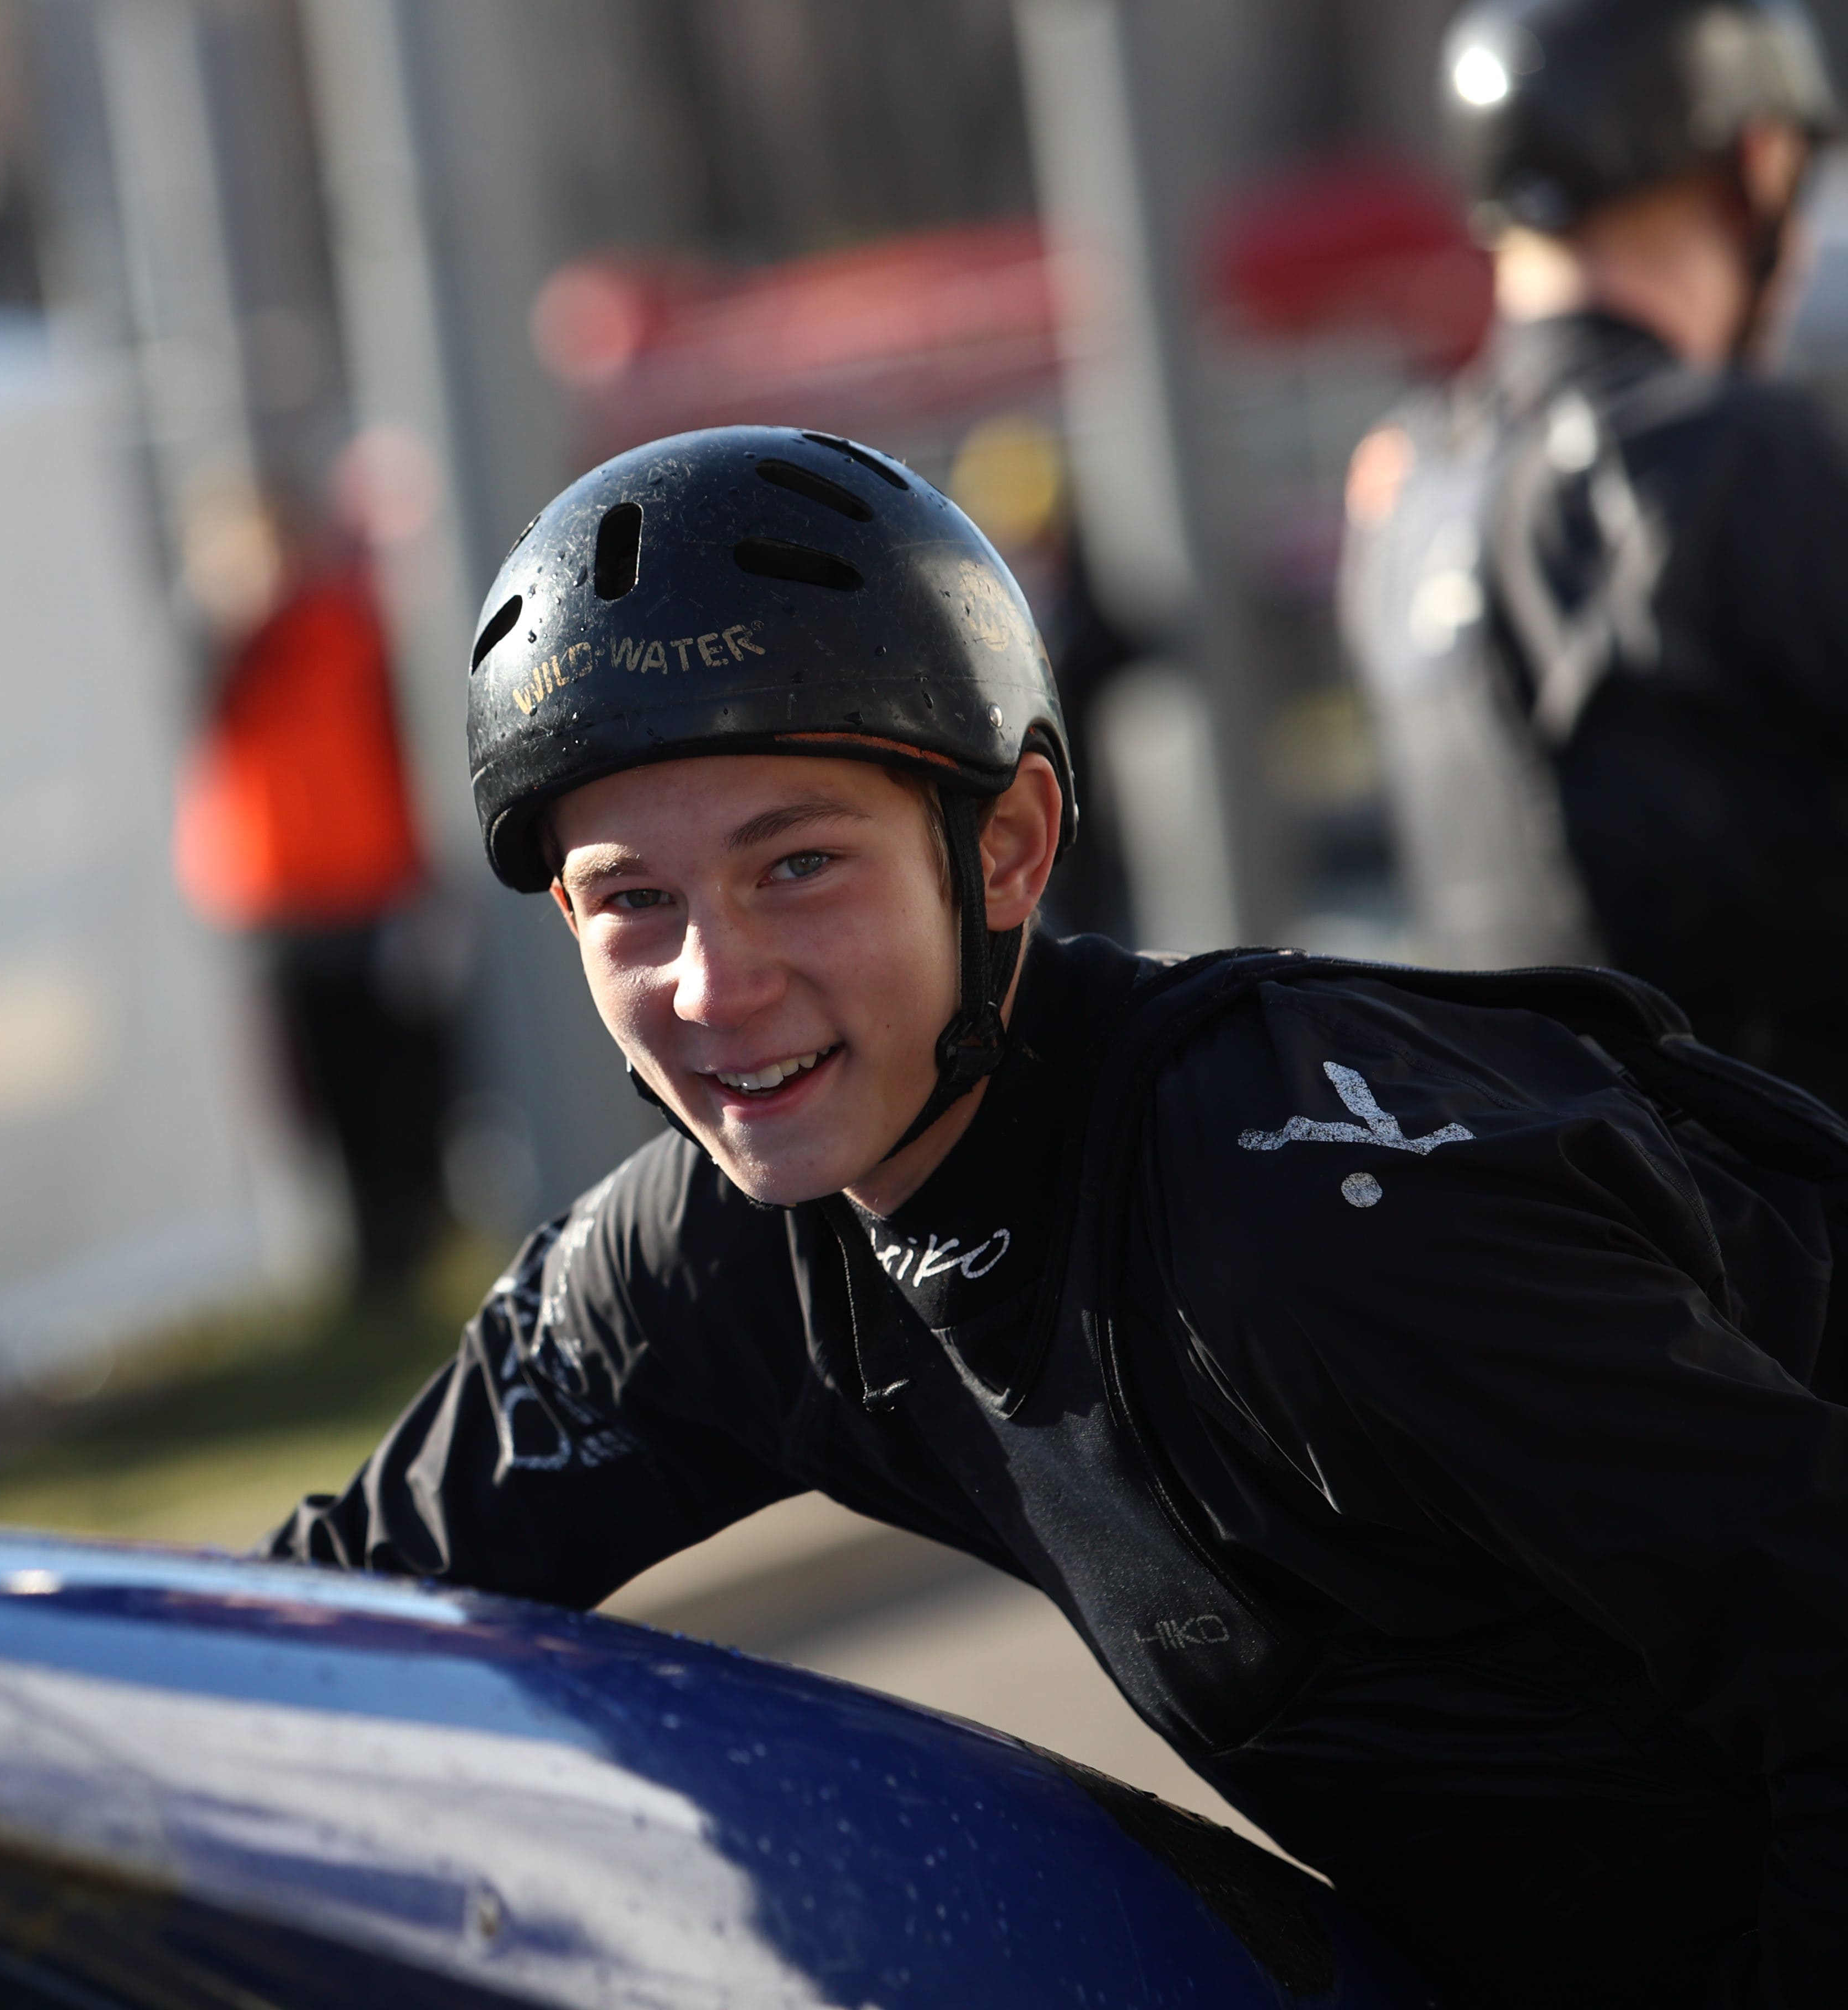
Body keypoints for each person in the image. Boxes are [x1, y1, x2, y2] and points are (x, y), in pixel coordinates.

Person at [268, 426, 1848, 2006]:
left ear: (1010, 844)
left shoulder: (1304, 1221)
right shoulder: (711, 1259)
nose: (714, 985)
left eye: (799, 864)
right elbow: (307, 1632)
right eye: (634, 901)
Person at [1342, 0, 1848, 1103]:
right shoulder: (1736, 453)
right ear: (1756, 164)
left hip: (1524, 1191)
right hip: (1771, 1186)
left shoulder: (1404, 485)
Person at [173, 543, 460, 1299]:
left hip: (369, 885)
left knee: (403, 1070)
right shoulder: (225, 652)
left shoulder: (349, 629)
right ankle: (371, 1246)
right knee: (324, 1093)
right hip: (280, 900)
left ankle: (422, 1222)